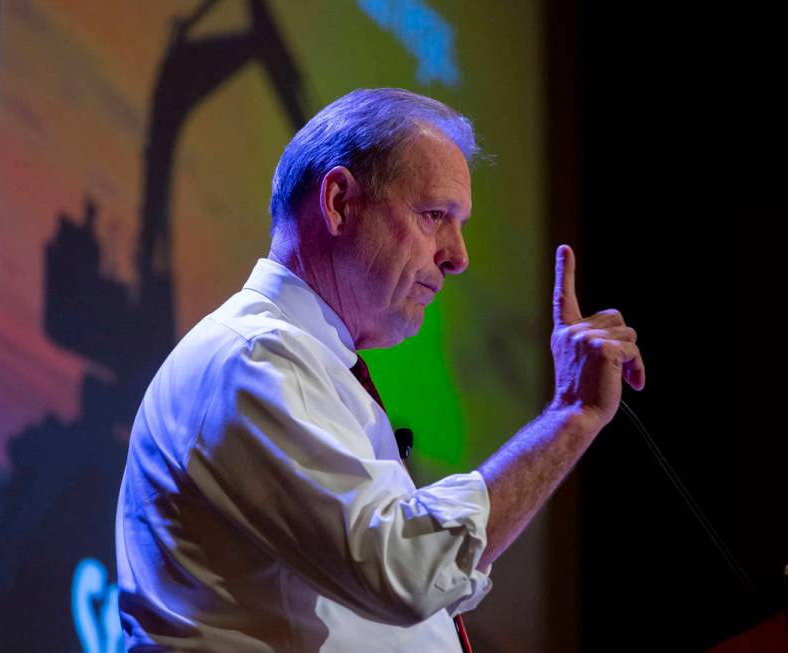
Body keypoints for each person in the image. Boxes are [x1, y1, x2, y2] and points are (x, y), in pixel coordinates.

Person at [115, 88, 645, 652]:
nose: (458, 256)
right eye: (434, 216)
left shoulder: (311, 365)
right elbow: (402, 569)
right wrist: (571, 415)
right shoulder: (254, 357)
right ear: (340, 202)